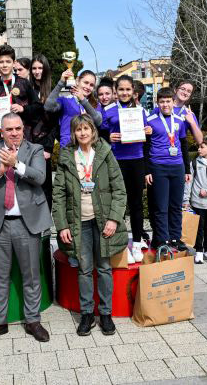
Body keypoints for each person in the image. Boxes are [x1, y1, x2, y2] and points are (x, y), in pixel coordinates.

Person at [0, 113, 50, 344]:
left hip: (27, 223)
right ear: (1, 131)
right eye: (9, 129)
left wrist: (16, 164)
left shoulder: (35, 149)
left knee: (31, 275)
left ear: (23, 129)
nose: (14, 133)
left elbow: (40, 177)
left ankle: (33, 320)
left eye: (18, 128)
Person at [53, 114, 127, 336]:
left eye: (86, 128)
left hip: (103, 221)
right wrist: (62, 225)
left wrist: (114, 219)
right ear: (74, 133)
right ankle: (87, 314)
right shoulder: (67, 156)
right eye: (78, 129)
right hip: (79, 221)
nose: (83, 133)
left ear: (93, 131)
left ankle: (105, 314)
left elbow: (119, 190)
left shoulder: (105, 153)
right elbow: (58, 194)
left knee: (103, 268)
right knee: (84, 269)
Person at [101, 75, 150, 261]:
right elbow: (99, 134)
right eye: (121, 89)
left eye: (128, 89)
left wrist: (149, 130)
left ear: (133, 91)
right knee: (118, 205)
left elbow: (147, 135)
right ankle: (121, 245)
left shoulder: (140, 110)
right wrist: (108, 137)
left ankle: (136, 243)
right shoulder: (108, 110)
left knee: (136, 204)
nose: (124, 93)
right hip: (117, 161)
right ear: (116, 91)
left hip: (136, 160)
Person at [145, 87, 191, 249]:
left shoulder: (179, 120)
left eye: (168, 101)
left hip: (177, 166)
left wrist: (187, 169)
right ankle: (163, 239)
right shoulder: (150, 120)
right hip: (158, 166)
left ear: (173, 102)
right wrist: (147, 170)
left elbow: (184, 144)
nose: (165, 105)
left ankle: (175, 238)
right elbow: (145, 147)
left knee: (176, 205)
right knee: (161, 207)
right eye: (162, 102)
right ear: (157, 103)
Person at [45, 69, 103, 147]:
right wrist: (61, 83)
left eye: (91, 85)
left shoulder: (95, 104)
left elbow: (98, 122)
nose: (88, 87)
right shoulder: (66, 99)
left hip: (88, 148)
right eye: (86, 83)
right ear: (77, 81)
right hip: (67, 147)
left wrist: (83, 100)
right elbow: (48, 107)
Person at [29, 54, 57, 208]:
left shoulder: (52, 92)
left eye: (40, 68)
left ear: (45, 69)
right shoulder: (27, 89)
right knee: (29, 186)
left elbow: (55, 124)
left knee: (45, 187)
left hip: (44, 146)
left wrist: (48, 148)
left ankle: (46, 220)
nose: (37, 71)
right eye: (34, 68)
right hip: (28, 143)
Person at [173, 80, 205, 145]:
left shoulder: (189, 113)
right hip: (159, 149)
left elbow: (200, 140)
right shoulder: (162, 107)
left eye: (189, 91)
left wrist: (192, 122)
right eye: (183, 89)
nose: (185, 93)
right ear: (175, 90)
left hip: (178, 150)